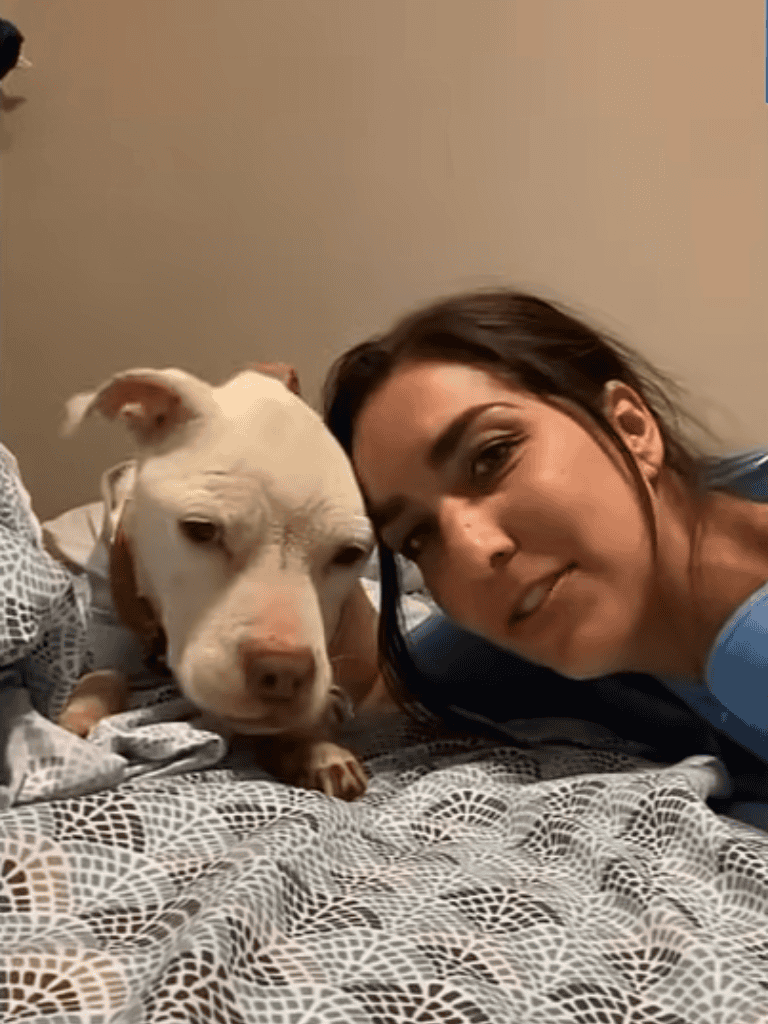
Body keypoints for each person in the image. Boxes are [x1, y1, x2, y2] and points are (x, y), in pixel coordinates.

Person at [322, 289, 768, 823]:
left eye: (492, 457)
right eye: (418, 537)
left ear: (631, 428)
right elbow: (370, 688)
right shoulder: (520, 630)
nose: (474, 554)